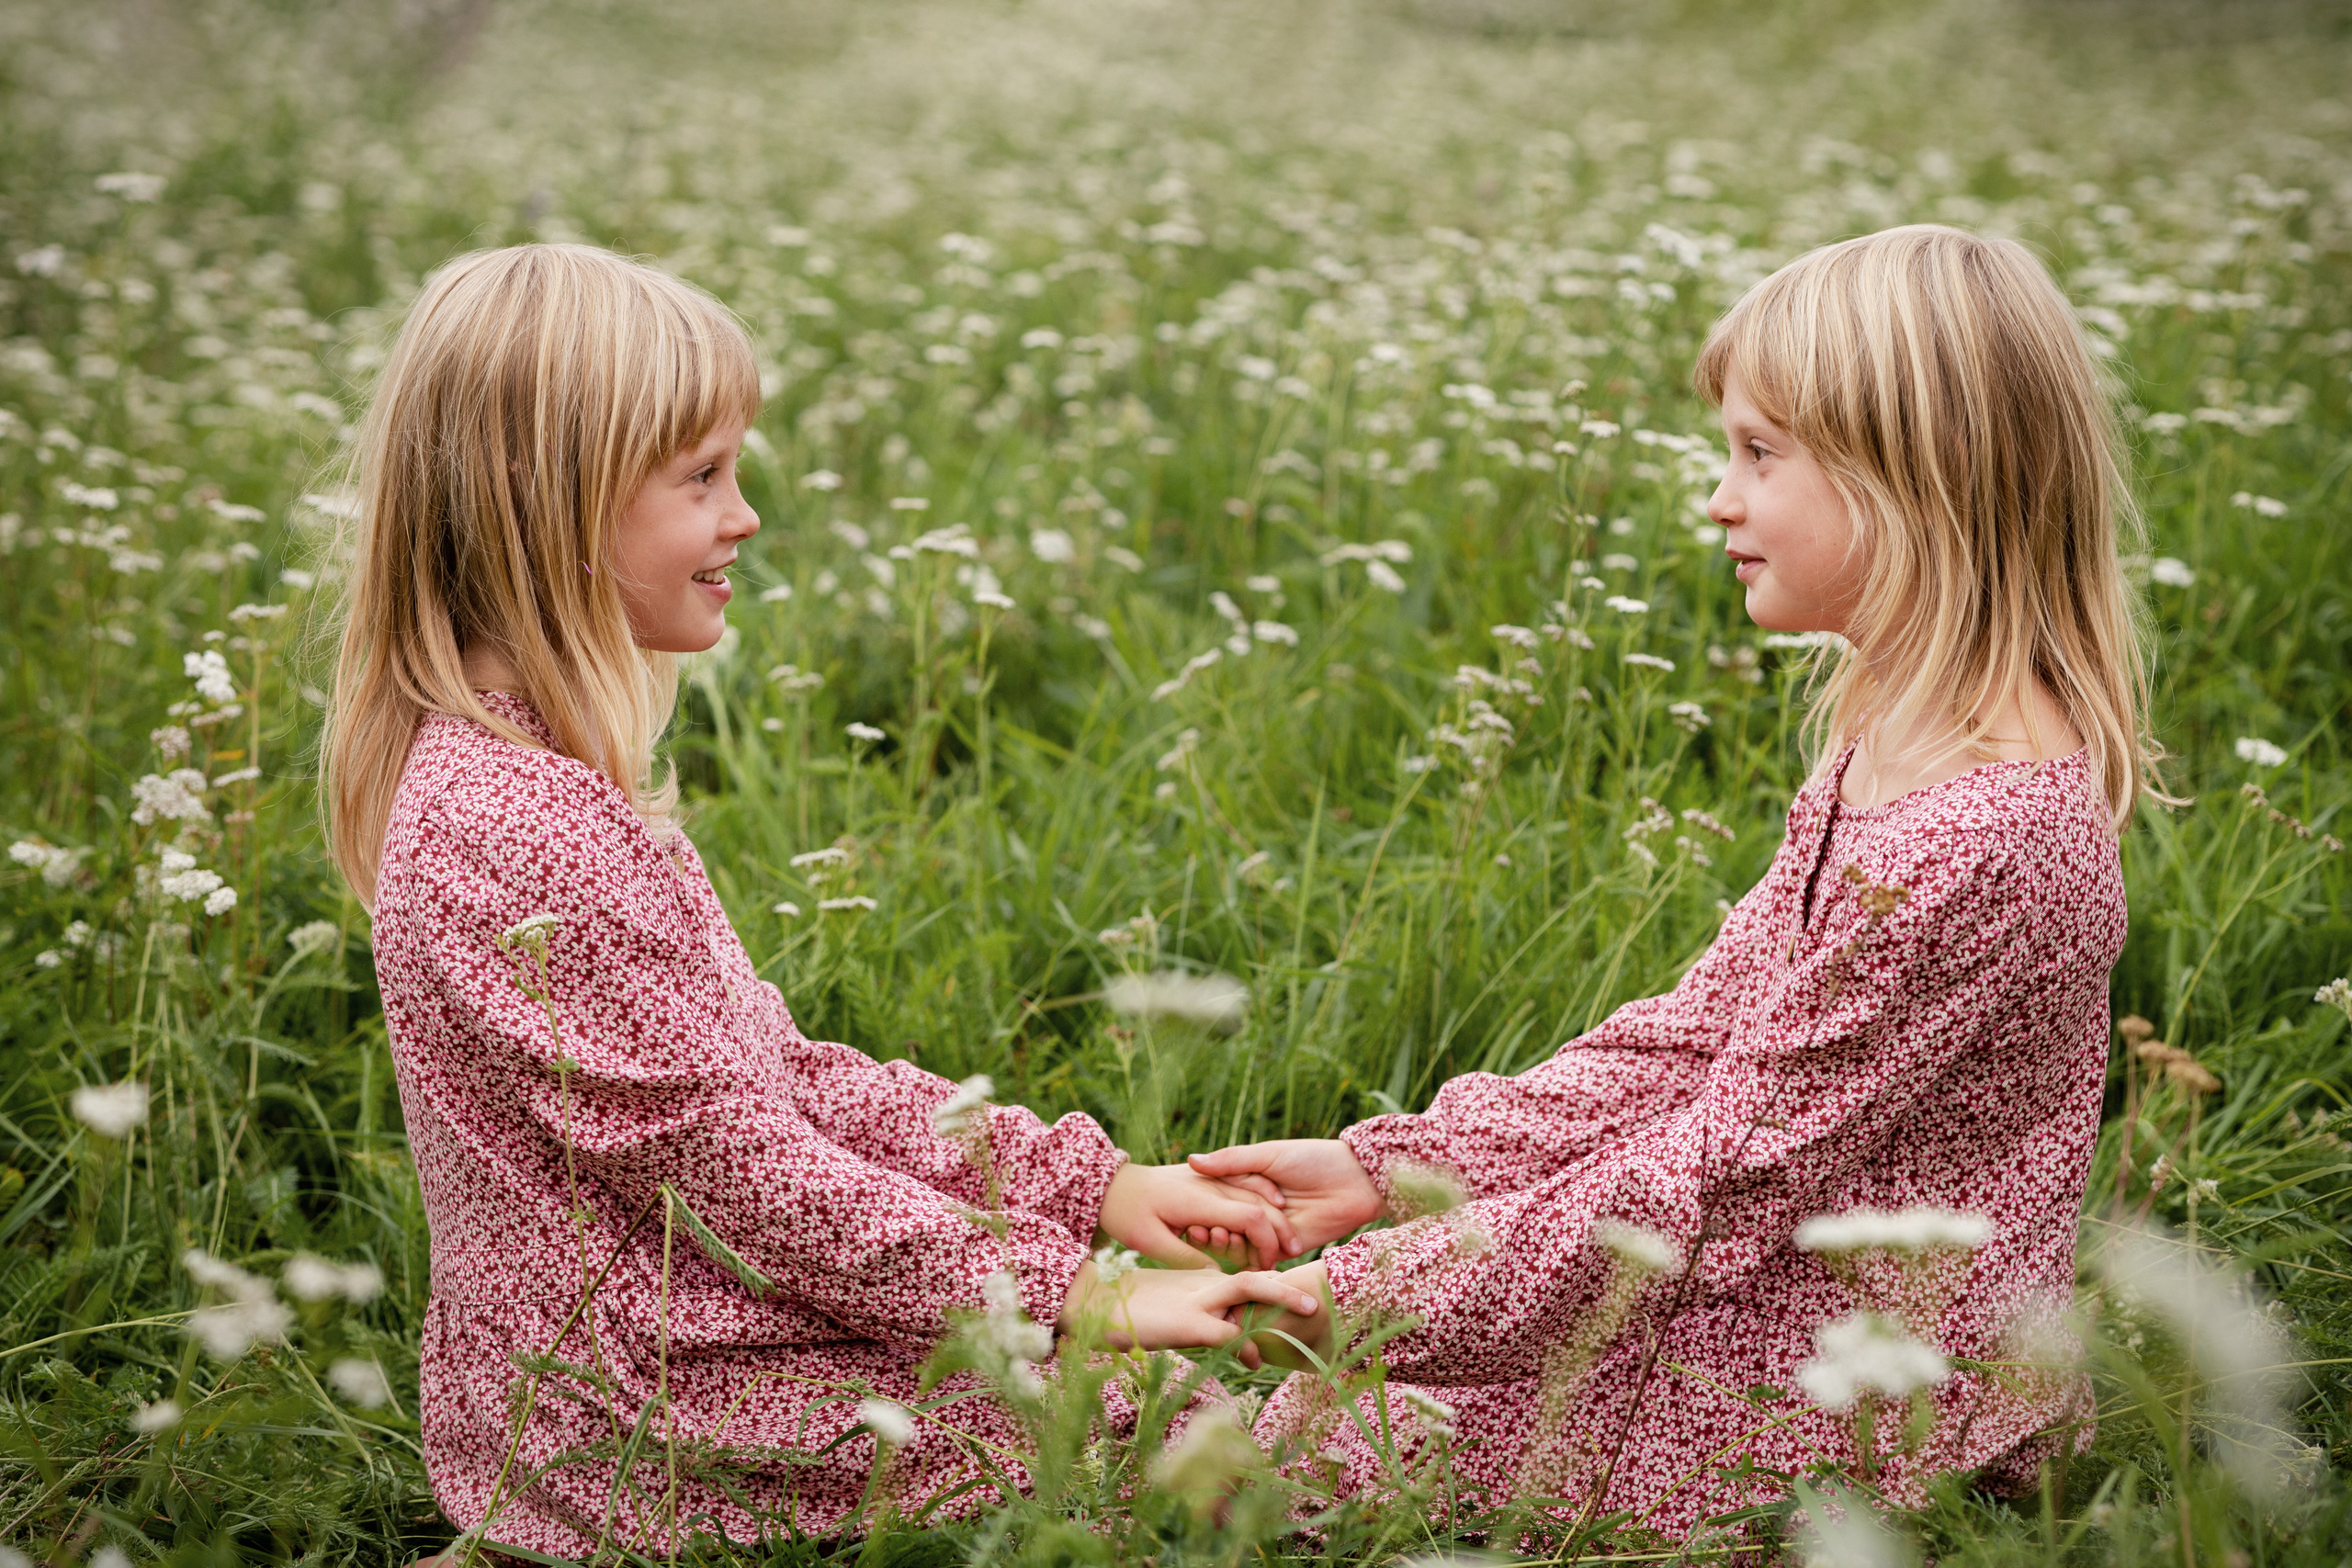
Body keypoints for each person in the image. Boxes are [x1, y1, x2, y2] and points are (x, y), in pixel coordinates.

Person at [323, 243, 1319, 1557]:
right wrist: (1063, 1290)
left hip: (667, 1370)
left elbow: (776, 1084)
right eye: (701, 478)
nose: (743, 516)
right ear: (547, 499)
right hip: (655, 1425)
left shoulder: (534, 786)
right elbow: (743, 1176)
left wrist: (1089, 1185)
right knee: (1259, 1455)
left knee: (1220, 1420)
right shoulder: (515, 827)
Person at [1191, 224, 2160, 1532]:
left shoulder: (1977, 838)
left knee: (1311, 1444)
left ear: (1914, 479)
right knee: (1302, 1425)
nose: (1721, 499)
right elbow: (1704, 1039)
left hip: (1868, 1390)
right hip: (1790, 1290)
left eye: (1761, 456)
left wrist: (1369, 1307)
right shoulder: (1900, 745)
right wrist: (1395, 1170)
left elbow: (1715, 1187)